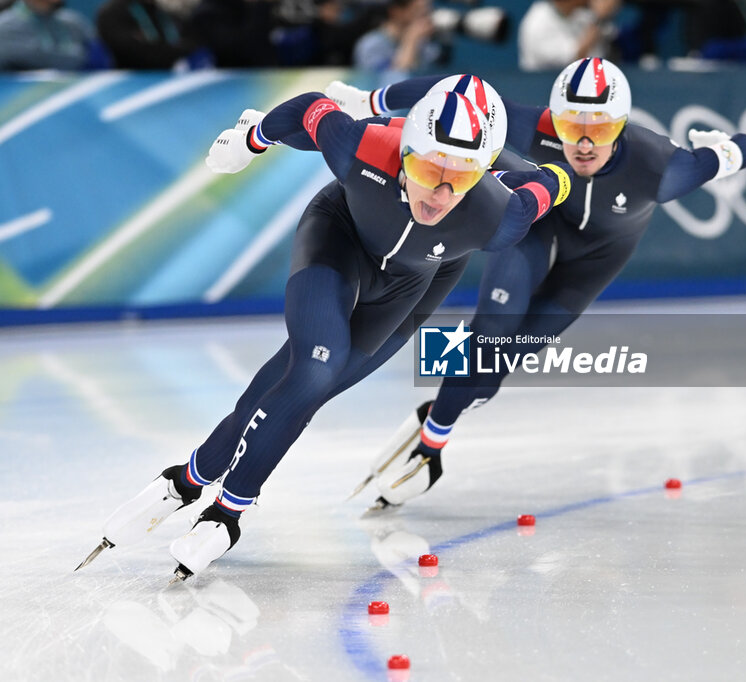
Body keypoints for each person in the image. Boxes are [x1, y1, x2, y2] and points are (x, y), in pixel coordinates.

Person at [76, 87, 573, 581]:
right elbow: (307, 107)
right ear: (405, 152)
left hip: (416, 281)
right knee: (313, 368)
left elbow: (553, 183)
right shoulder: (365, 145)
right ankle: (227, 515)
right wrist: (253, 138)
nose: (438, 195)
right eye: (426, 171)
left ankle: (189, 478)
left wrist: (534, 174)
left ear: (482, 174)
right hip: (337, 239)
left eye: (459, 179)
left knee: (305, 385)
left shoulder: (501, 215)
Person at [324, 57, 746, 510]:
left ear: (623, 126)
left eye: (602, 129)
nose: (586, 143)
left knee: (505, 360)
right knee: (489, 332)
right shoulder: (536, 127)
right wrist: (371, 100)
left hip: (595, 259)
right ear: (555, 119)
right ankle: (432, 447)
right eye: (572, 126)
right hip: (541, 227)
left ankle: (437, 417)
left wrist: (726, 148)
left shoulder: (666, 168)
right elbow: (455, 88)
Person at [0, 0, 106, 70]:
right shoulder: (7, 25)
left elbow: (99, 56)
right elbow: (39, 59)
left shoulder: (73, 21)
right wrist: (81, 56)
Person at [518, 0, 622, 71]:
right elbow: (576, 60)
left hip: (582, 87)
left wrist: (607, 12)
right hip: (540, 89)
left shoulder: (581, 15)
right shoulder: (537, 22)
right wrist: (600, 18)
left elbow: (611, 36)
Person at [353, 0, 440, 84]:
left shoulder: (425, 44)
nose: (426, 17)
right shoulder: (371, 45)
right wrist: (410, 41)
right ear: (396, 11)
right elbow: (393, 82)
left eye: (427, 10)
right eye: (418, 10)